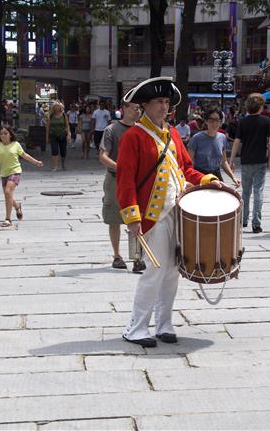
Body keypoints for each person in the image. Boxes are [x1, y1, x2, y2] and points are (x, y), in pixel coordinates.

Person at [116, 76, 220, 348]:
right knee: (155, 270)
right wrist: (132, 218)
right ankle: (136, 327)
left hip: (177, 211)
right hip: (151, 216)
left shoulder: (172, 134)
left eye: (166, 102)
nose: (164, 107)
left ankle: (164, 324)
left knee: (173, 271)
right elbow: (125, 180)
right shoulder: (133, 137)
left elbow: (186, 168)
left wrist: (207, 179)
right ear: (145, 106)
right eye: (158, 102)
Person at [99, 100, 146, 274]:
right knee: (114, 218)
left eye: (140, 108)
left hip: (137, 181)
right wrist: (121, 167)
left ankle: (137, 258)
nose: (138, 111)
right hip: (115, 179)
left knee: (136, 218)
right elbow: (103, 156)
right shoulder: (111, 130)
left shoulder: (142, 130)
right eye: (135, 108)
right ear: (124, 109)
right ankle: (117, 256)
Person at [229, 93, 270, 233]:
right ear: (261, 106)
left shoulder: (243, 122)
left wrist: (231, 160)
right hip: (260, 160)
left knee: (246, 192)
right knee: (258, 191)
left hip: (246, 161)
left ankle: (244, 220)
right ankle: (256, 223)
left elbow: (237, 141)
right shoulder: (267, 121)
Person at [0, 126, 43, 227]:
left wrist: (36, 162)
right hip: (4, 173)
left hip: (15, 171)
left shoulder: (16, 144)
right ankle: (17, 207)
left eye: (5, 133)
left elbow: (24, 155)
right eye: (1, 134)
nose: (3, 135)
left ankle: (8, 219)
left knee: (8, 192)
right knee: (8, 195)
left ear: (10, 135)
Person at [187, 107, 240, 186]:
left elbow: (223, 161)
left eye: (217, 120)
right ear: (206, 121)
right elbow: (189, 162)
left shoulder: (222, 137)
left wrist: (233, 177)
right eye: (211, 120)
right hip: (200, 175)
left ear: (220, 122)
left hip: (216, 175)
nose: (214, 123)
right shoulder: (196, 138)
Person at [45, 102, 70, 171]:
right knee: (54, 150)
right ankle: (55, 166)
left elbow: (67, 126)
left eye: (58, 106)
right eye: (55, 106)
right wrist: (47, 137)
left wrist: (68, 135)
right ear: (53, 108)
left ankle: (63, 164)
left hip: (62, 135)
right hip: (53, 135)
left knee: (63, 151)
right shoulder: (50, 116)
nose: (56, 107)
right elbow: (48, 127)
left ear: (60, 107)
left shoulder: (64, 115)